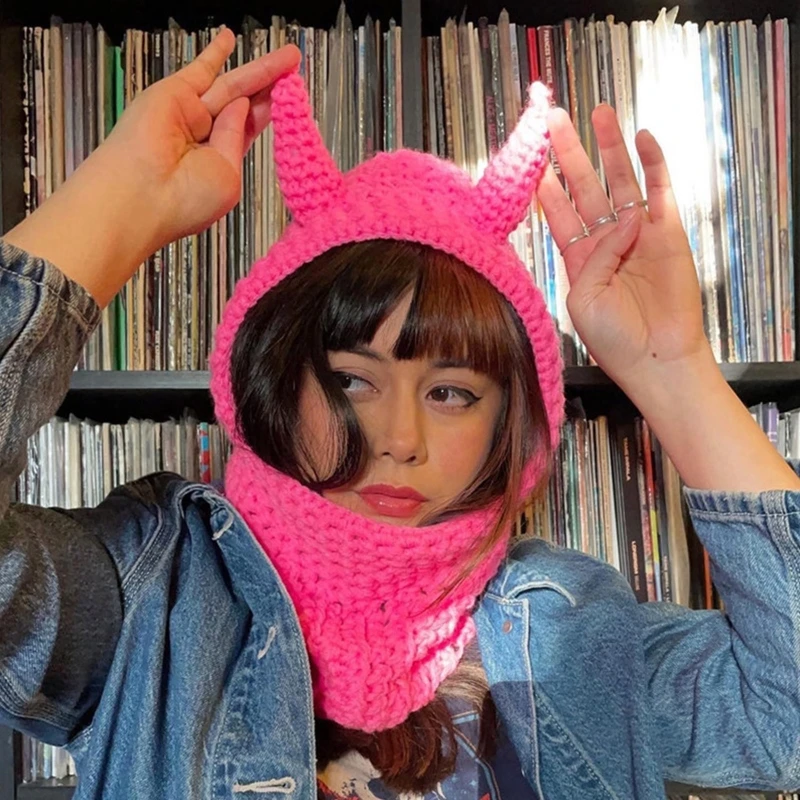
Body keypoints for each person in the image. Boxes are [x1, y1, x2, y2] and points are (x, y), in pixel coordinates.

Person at [1, 25, 799, 800]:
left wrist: (674, 371)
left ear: (509, 424)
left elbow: (784, 719)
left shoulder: (569, 624)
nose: (400, 440)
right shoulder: (150, 595)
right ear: (274, 380)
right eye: (352, 381)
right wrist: (118, 203)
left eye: (451, 393)